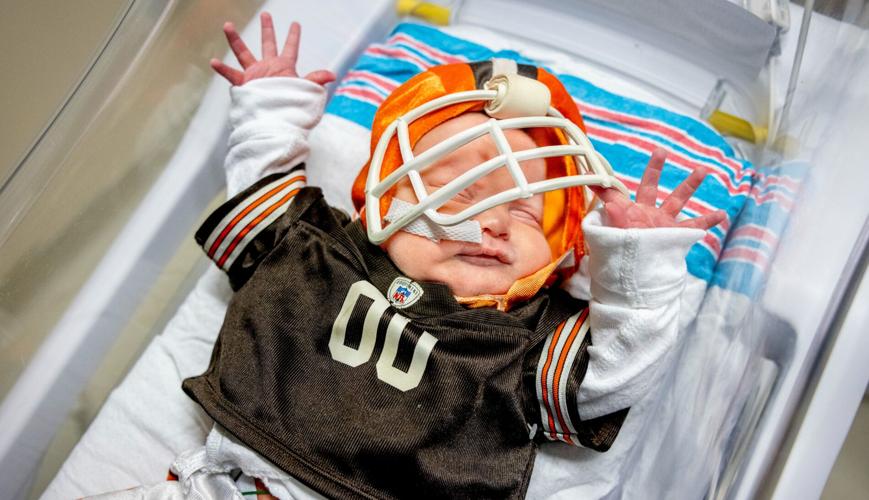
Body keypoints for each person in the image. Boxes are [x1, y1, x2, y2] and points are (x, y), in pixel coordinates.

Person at [91, 13, 724, 500]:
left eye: (528, 212)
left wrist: (636, 264)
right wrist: (269, 108)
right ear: (383, 198)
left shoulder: (530, 338)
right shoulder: (319, 247)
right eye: (458, 189)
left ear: (561, 254)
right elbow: (260, 183)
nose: (493, 221)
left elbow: (615, 376)